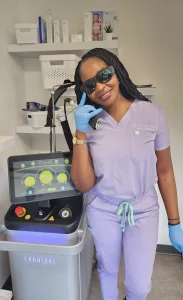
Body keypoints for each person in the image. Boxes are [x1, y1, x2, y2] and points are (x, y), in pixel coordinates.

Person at [71, 48, 183, 300]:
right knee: (108, 272)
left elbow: (164, 171)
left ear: (117, 71)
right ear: (84, 92)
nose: (99, 87)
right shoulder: (88, 123)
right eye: (89, 85)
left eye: (104, 75)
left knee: (139, 287)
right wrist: (79, 133)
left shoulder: (153, 114)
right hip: (103, 208)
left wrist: (174, 223)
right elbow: (84, 184)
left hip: (142, 208)